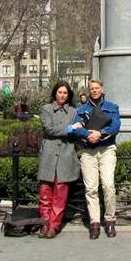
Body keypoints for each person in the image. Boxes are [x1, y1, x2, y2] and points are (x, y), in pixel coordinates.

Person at [74, 78, 121, 239]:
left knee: (108, 184)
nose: (94, 90)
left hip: (106, 149)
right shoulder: (81, 109)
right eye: (92, 88)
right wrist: (88, 134)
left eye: (97, 88)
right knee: (91, 188)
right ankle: (94, 222)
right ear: (89, 90)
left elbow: (115, 126)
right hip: (88, 151)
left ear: (102, 89)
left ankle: (109, 220)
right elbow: (76, 128)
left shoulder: (112, 107)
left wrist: (99, 134)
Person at [37, 81, 80, 238]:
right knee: (45, 192)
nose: (62, 95)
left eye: (65, 93)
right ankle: (44, 223)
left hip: (66, 155)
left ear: (69, 96)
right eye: (60, 92)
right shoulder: (46, 109)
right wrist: (69, 129)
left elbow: (79, 130)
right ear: (55, 93)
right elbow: (49, 129)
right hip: (48, 154)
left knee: (60, 194)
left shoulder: (74, 112)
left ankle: (54, 225)